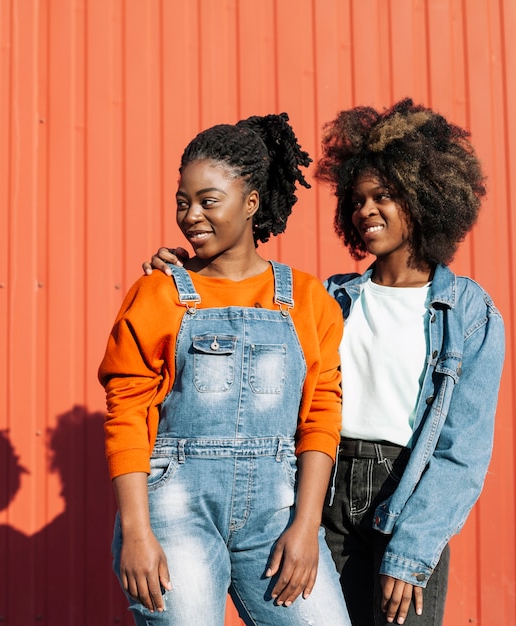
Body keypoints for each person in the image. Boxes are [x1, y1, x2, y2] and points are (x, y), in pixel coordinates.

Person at [143, 98, 505, 626]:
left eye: (383, 196)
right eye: (357, 200)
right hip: (322, 490)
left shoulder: (470, 312)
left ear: (426, 197)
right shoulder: (331, 297)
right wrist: (186, 267)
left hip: (406, 500)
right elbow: (248, 303)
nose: (366, 211)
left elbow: (462, 453)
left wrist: (413, 551)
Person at [99, 113, 351, 625]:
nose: (192, 215)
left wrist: (307, 527)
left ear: (251, 202)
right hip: (174, 513)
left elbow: (322, 415)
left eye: (209, 201)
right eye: (182, 202)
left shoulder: (307, 299)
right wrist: (138, 534)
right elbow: (126, 413)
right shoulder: (158, 292)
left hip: (279, 517)